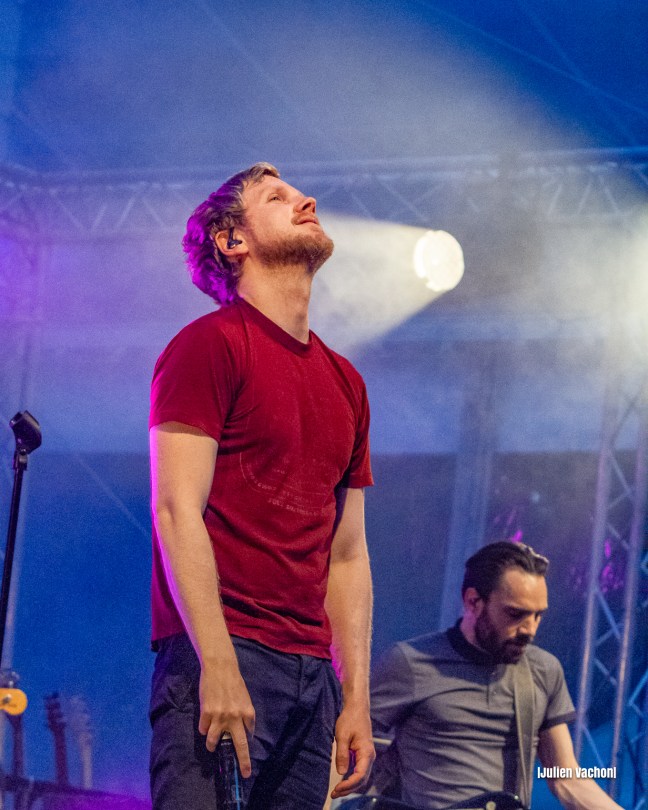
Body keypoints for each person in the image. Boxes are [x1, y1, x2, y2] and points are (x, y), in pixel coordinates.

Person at [148, 162, 375, 809]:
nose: (307, 201)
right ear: (232, 240)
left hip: (312, 677)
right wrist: (217, 664)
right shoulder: (208, 346)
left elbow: (347, 553)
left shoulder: (347, 382)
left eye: (300, 194)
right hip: (223, 651)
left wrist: (355, 698)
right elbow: (176, 510)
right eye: (278, 197)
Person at [370, 542, 625, 810]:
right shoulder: (410, 663)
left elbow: (566, 779)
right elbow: (348, 744)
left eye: (538, 615)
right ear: (473, 601)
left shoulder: (543, 671)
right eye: (515, 614)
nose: (530, 629)